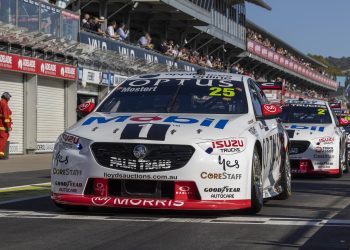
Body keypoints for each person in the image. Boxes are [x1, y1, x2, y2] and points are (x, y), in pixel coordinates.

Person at [0, 92, 12, 160]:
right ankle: (0, 155)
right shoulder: (4, 104)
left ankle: (1, 154)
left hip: (1, 125)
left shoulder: (1, 102)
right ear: (6, 97)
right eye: (9, 97)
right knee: (2, 140)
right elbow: (5, 117)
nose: (9, 99)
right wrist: (7, 127)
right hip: (3, 127)